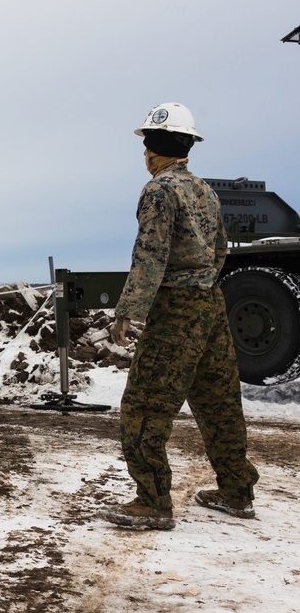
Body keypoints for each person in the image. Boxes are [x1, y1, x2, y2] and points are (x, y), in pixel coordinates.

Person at [97, 102, 260, 530]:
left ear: (152, 149)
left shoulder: (158, 191)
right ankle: (237, 491)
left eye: (146, 146)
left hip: (177, 311)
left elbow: (150, 256)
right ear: (188, 145)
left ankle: (153, 501)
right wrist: (203, 281)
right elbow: (222, 249)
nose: (144, 155)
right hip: (211, 305)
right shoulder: (204, 190)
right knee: (219, 402)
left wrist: (127, 313)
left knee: (144, 406)